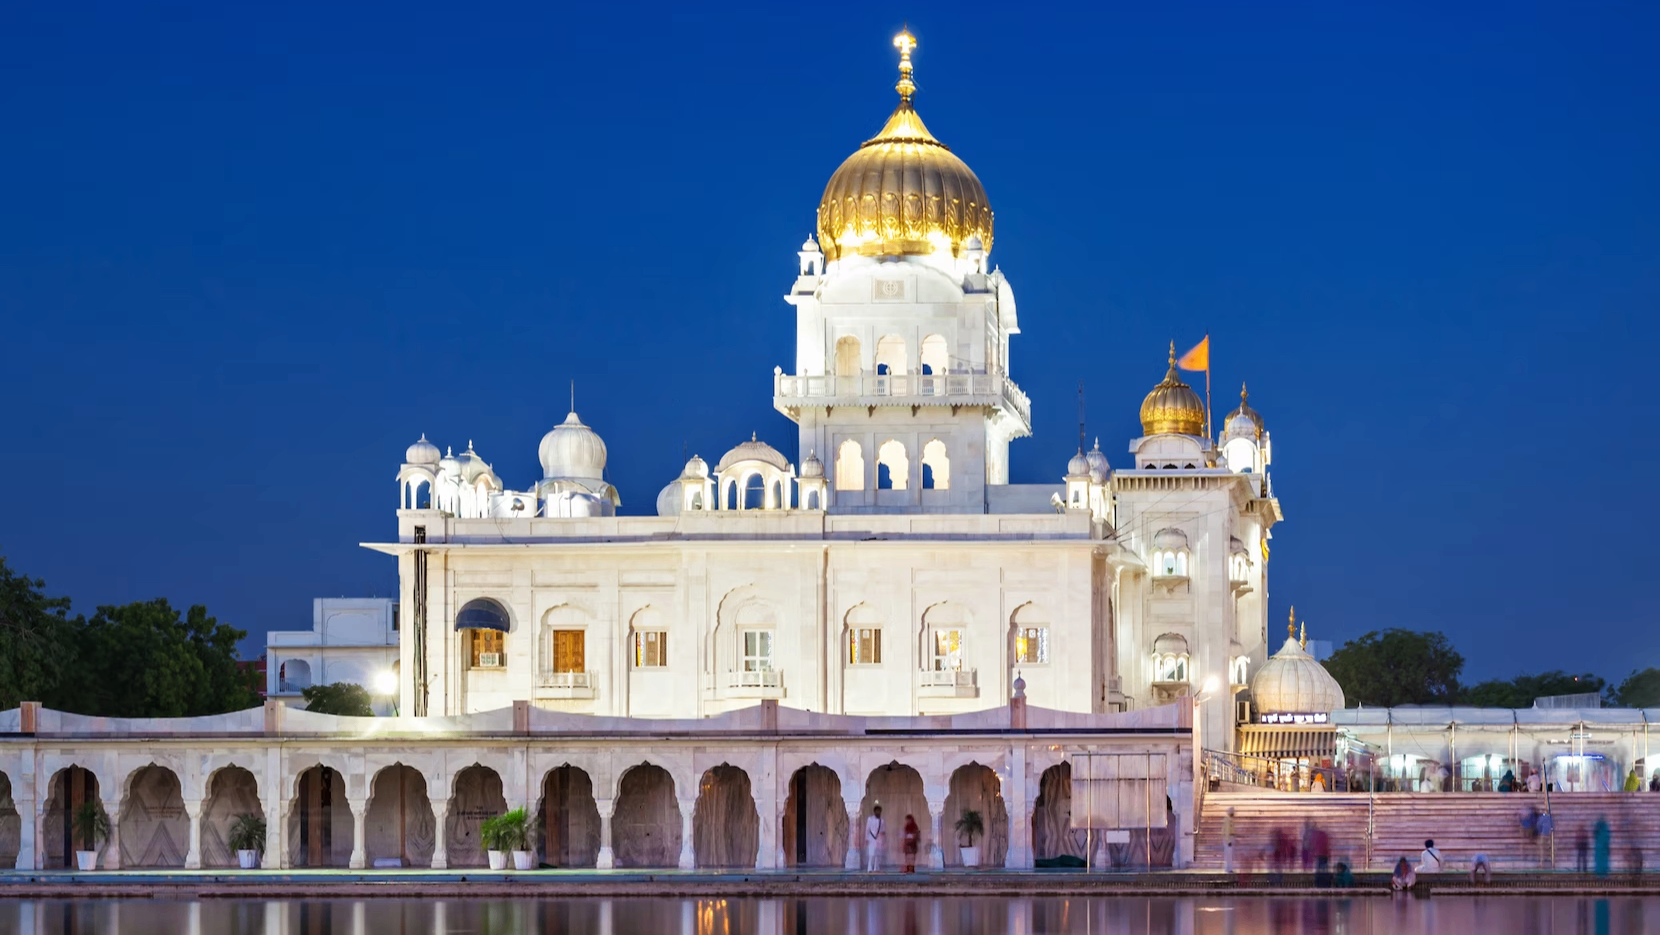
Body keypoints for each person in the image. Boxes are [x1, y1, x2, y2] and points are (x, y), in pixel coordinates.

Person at [865, 805, 885, 872]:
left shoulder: (881, 821)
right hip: (871, 838)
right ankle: (869, 868)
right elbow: (867, 829)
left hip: (879, 839)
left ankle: (876, 868)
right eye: (877, 811)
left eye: (879, 811)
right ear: (874, 811)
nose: (878, 812)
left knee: (877, 854)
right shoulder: (870, 819)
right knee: (871, 854)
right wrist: (866, 838)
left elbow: (883, 831)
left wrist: (882, 838)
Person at [1222, 807, 1236, 873]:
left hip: (1229, 837)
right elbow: (1227, 830)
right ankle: (1228, 868)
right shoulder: (1228, 820)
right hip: (1229, 837)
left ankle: (1228, 868)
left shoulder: (1229, 820)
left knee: (1229, 854)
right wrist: (1228, 840)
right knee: (1229, 854)